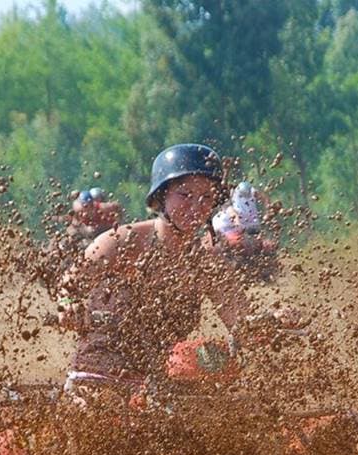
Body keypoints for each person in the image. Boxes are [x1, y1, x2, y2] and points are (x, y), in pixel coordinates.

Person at [57, 144, 253, 397]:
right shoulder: (121, 241)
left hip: (157, 388)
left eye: (206, 197)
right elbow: (70, 285)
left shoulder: (208, 265)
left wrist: (271, 324)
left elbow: (241, 322)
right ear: (161, 197)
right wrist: (68, 303)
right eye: (185, 195)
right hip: (97, 379)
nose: (196, 205)